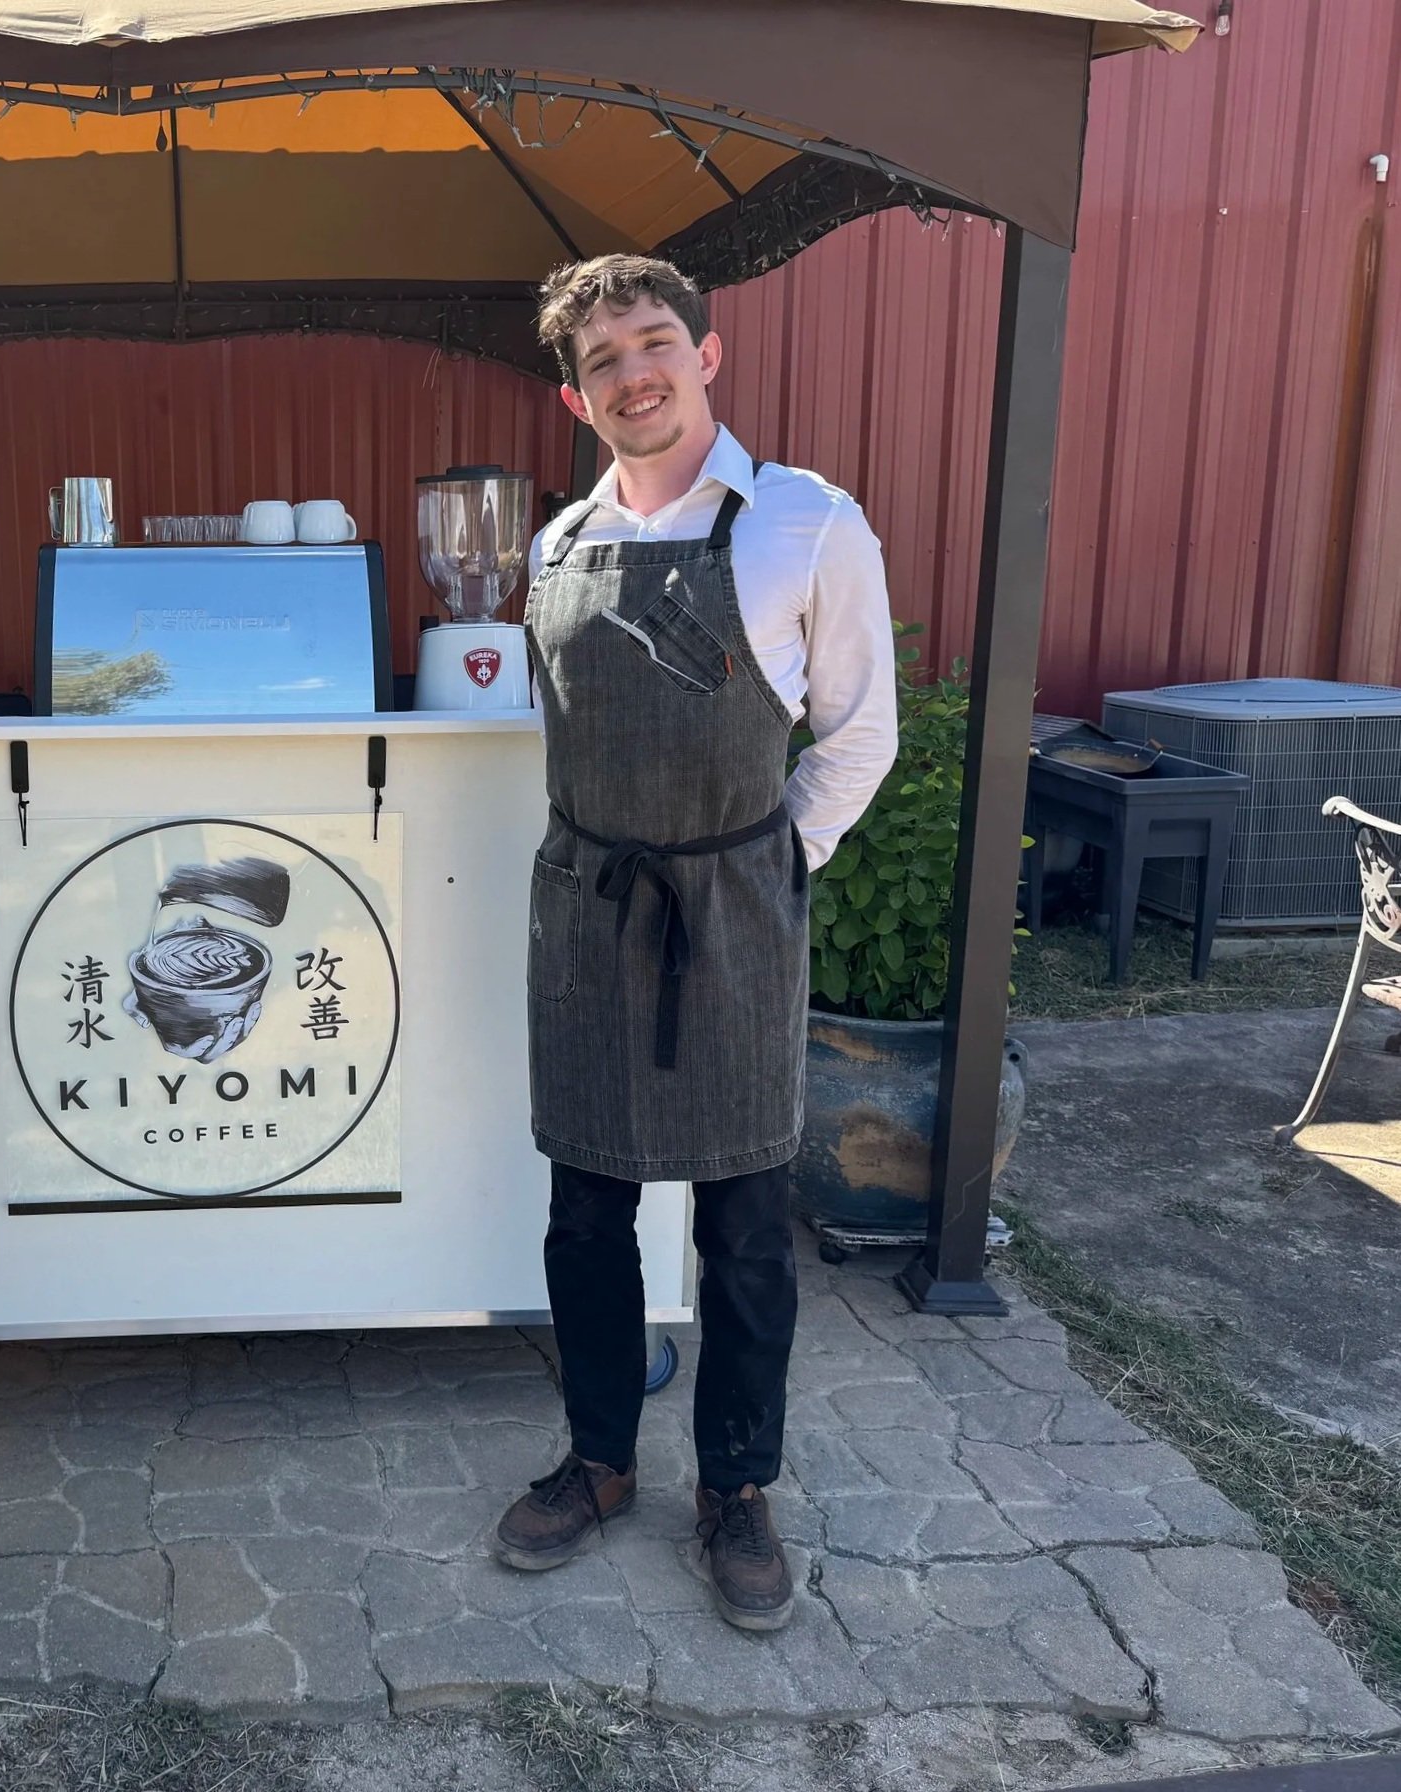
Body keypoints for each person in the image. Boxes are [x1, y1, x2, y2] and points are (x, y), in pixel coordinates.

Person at [494, 255, 898, 1631]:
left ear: (706, 355)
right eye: (602, 360)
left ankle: (736, 1486)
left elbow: (858, 735)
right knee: (583, 1213)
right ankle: (599, 1460)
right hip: (585, 911)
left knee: (741, 1227)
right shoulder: (553, 547)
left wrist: (774, 865)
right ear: (573, 394)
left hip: (730, 907)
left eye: (653, 342)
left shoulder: (806, 523)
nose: (633, 375)